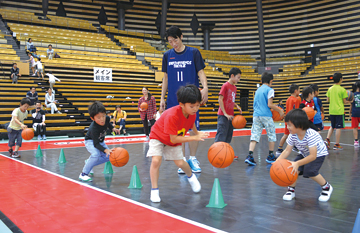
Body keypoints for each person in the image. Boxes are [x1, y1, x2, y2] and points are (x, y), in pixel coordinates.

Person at [148, 85, 208, 202]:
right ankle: (154, 190)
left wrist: (196, 132)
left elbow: (191, 123)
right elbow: (174, 139)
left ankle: (191, 176)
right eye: (192, 106)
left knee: (181, 163)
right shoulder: (172, 115)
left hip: (172, 138)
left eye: (197, 105)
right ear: (181, 104)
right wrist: (194, 137)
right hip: (158, 136)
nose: (195, 108)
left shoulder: (192, 112)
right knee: (156, 160)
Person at [161, 25, 208, 174]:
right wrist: (162, 97)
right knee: (178, 131)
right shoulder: (167, 55)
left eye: (175, 40)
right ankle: (181, 159)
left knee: (194, 129)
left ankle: (192, 158)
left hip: (192, 98)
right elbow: (166, 77)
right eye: (170, 41)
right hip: (174, 100)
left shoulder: (193, 52)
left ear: (181, 37)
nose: (173, 44)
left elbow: (201, 72)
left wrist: (205, 87)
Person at [277, 108, 333, 202]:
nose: (287, 128)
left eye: (289, 125)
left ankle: (326, 187)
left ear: (299, 125)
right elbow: (287, 150)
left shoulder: (311, 135)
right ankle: (291, 190)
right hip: (305, 153)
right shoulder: (292, 135)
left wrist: (297, 163)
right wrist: (277, 161)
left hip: (318, 154)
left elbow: (313, 156)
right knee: (292, 168)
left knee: (310, 171)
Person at [245, 72, 284, 166]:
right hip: (266, 115)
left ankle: (250, 155)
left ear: (262, 81)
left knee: (254, 135)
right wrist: (279, 110)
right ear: (271, 81)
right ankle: (270, 155)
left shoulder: (257, 90)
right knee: (271, 135)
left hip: (256, 115)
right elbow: (269, 104)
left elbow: (257, 104)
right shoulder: (270, 90)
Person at [79, 101, 120, 181]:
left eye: (103, 116)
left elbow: (108, 123)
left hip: (100, 141)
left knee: (109, 157)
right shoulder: (93, 128)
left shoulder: (107, 118)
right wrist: (106, 150)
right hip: (90, 141)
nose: (102, 119)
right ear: (92, 118)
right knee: (96, 154)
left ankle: (89, 163)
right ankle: (83, 174)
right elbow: (96, 144)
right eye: (98, 117)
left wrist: (113, 128)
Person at [214, 68, 242, 159]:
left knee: (228, 135)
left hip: (231, 116)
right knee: (221, 134)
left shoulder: (235, 88)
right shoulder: (225, 85)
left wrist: (236, 106)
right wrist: (225, 113)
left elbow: (231, 100)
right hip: (223, 115)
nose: (239, 80)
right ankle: (216, 153)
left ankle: (226, 153)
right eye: (238, 77)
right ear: (232, 76)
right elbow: (220, 99)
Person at [324, 73, 350, 150]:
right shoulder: (342, 90)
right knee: (338, 127)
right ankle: (336, 144)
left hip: (331, 110)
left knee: (332, 126)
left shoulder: (330, 89)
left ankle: (327, 140)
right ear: (341, 79)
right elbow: (345, 102)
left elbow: (327, 100)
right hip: (339, 111)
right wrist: (350, 101)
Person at [276, 84, 301, 156]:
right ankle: (296, 147)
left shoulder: (288, 99)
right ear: (296, 91)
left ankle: (279, 149)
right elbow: (296, 111)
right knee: (298, 133)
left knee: (285, 135)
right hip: (293, 119)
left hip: (287, 119)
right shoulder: (296, 100)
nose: (299, 92)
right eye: (299, 90)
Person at [350, 81, 360, 146]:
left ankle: (356, 141)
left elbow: (351, 104)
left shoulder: (352, 95)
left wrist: (349, 112)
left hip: (355, 112)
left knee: (355, 127)